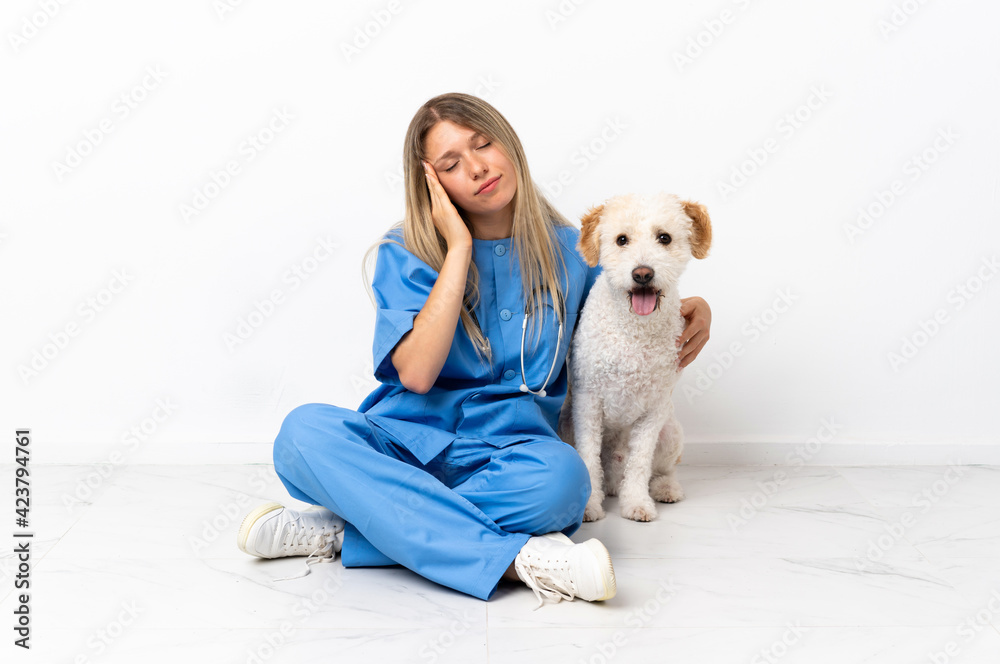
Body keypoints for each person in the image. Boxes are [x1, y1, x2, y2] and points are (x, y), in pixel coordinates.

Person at [236, 92, 712, 608]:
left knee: (563, 484)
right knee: (302, 435)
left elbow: (631, 293)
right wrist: (458, 250)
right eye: (451, 163)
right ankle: (519, 561)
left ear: (509, 145)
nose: (478, 167)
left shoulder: (573, 252)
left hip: (513, 458)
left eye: (484, 144)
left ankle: (344, 530)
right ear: (432, 183)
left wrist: (695, 305)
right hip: (403, 447)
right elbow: (416, 375)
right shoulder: (404, 252)